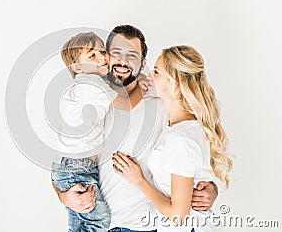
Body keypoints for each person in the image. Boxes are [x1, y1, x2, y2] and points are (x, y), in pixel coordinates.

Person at [53, 25, 219, 232]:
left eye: (132, 55)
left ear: (143, 63)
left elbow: (192, 155)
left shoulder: (163, 105)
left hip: (143, 226)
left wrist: (210, 188)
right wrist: (63, 195)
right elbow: (66, 161)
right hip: (99, 224)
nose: (123, 61)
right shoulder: (91, 101)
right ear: (106, 58)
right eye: (116, 53)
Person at [112, 45, 233, 231]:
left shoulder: (181, 137)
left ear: (173, 82)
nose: (149, 76)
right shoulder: (177, 125)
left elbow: (178, 216)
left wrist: (139, 180)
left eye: (156, 71)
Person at [52, 32, 149, 232]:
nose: (102, 58)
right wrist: (143, 85)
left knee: (80, 224)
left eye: (102, 52)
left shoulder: (92, 86)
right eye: (92, 55)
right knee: (98, 222)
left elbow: (122, 93)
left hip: (72, 165)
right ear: (77, 67)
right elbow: (126, 103)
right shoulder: (90, 84)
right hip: (78, 167)